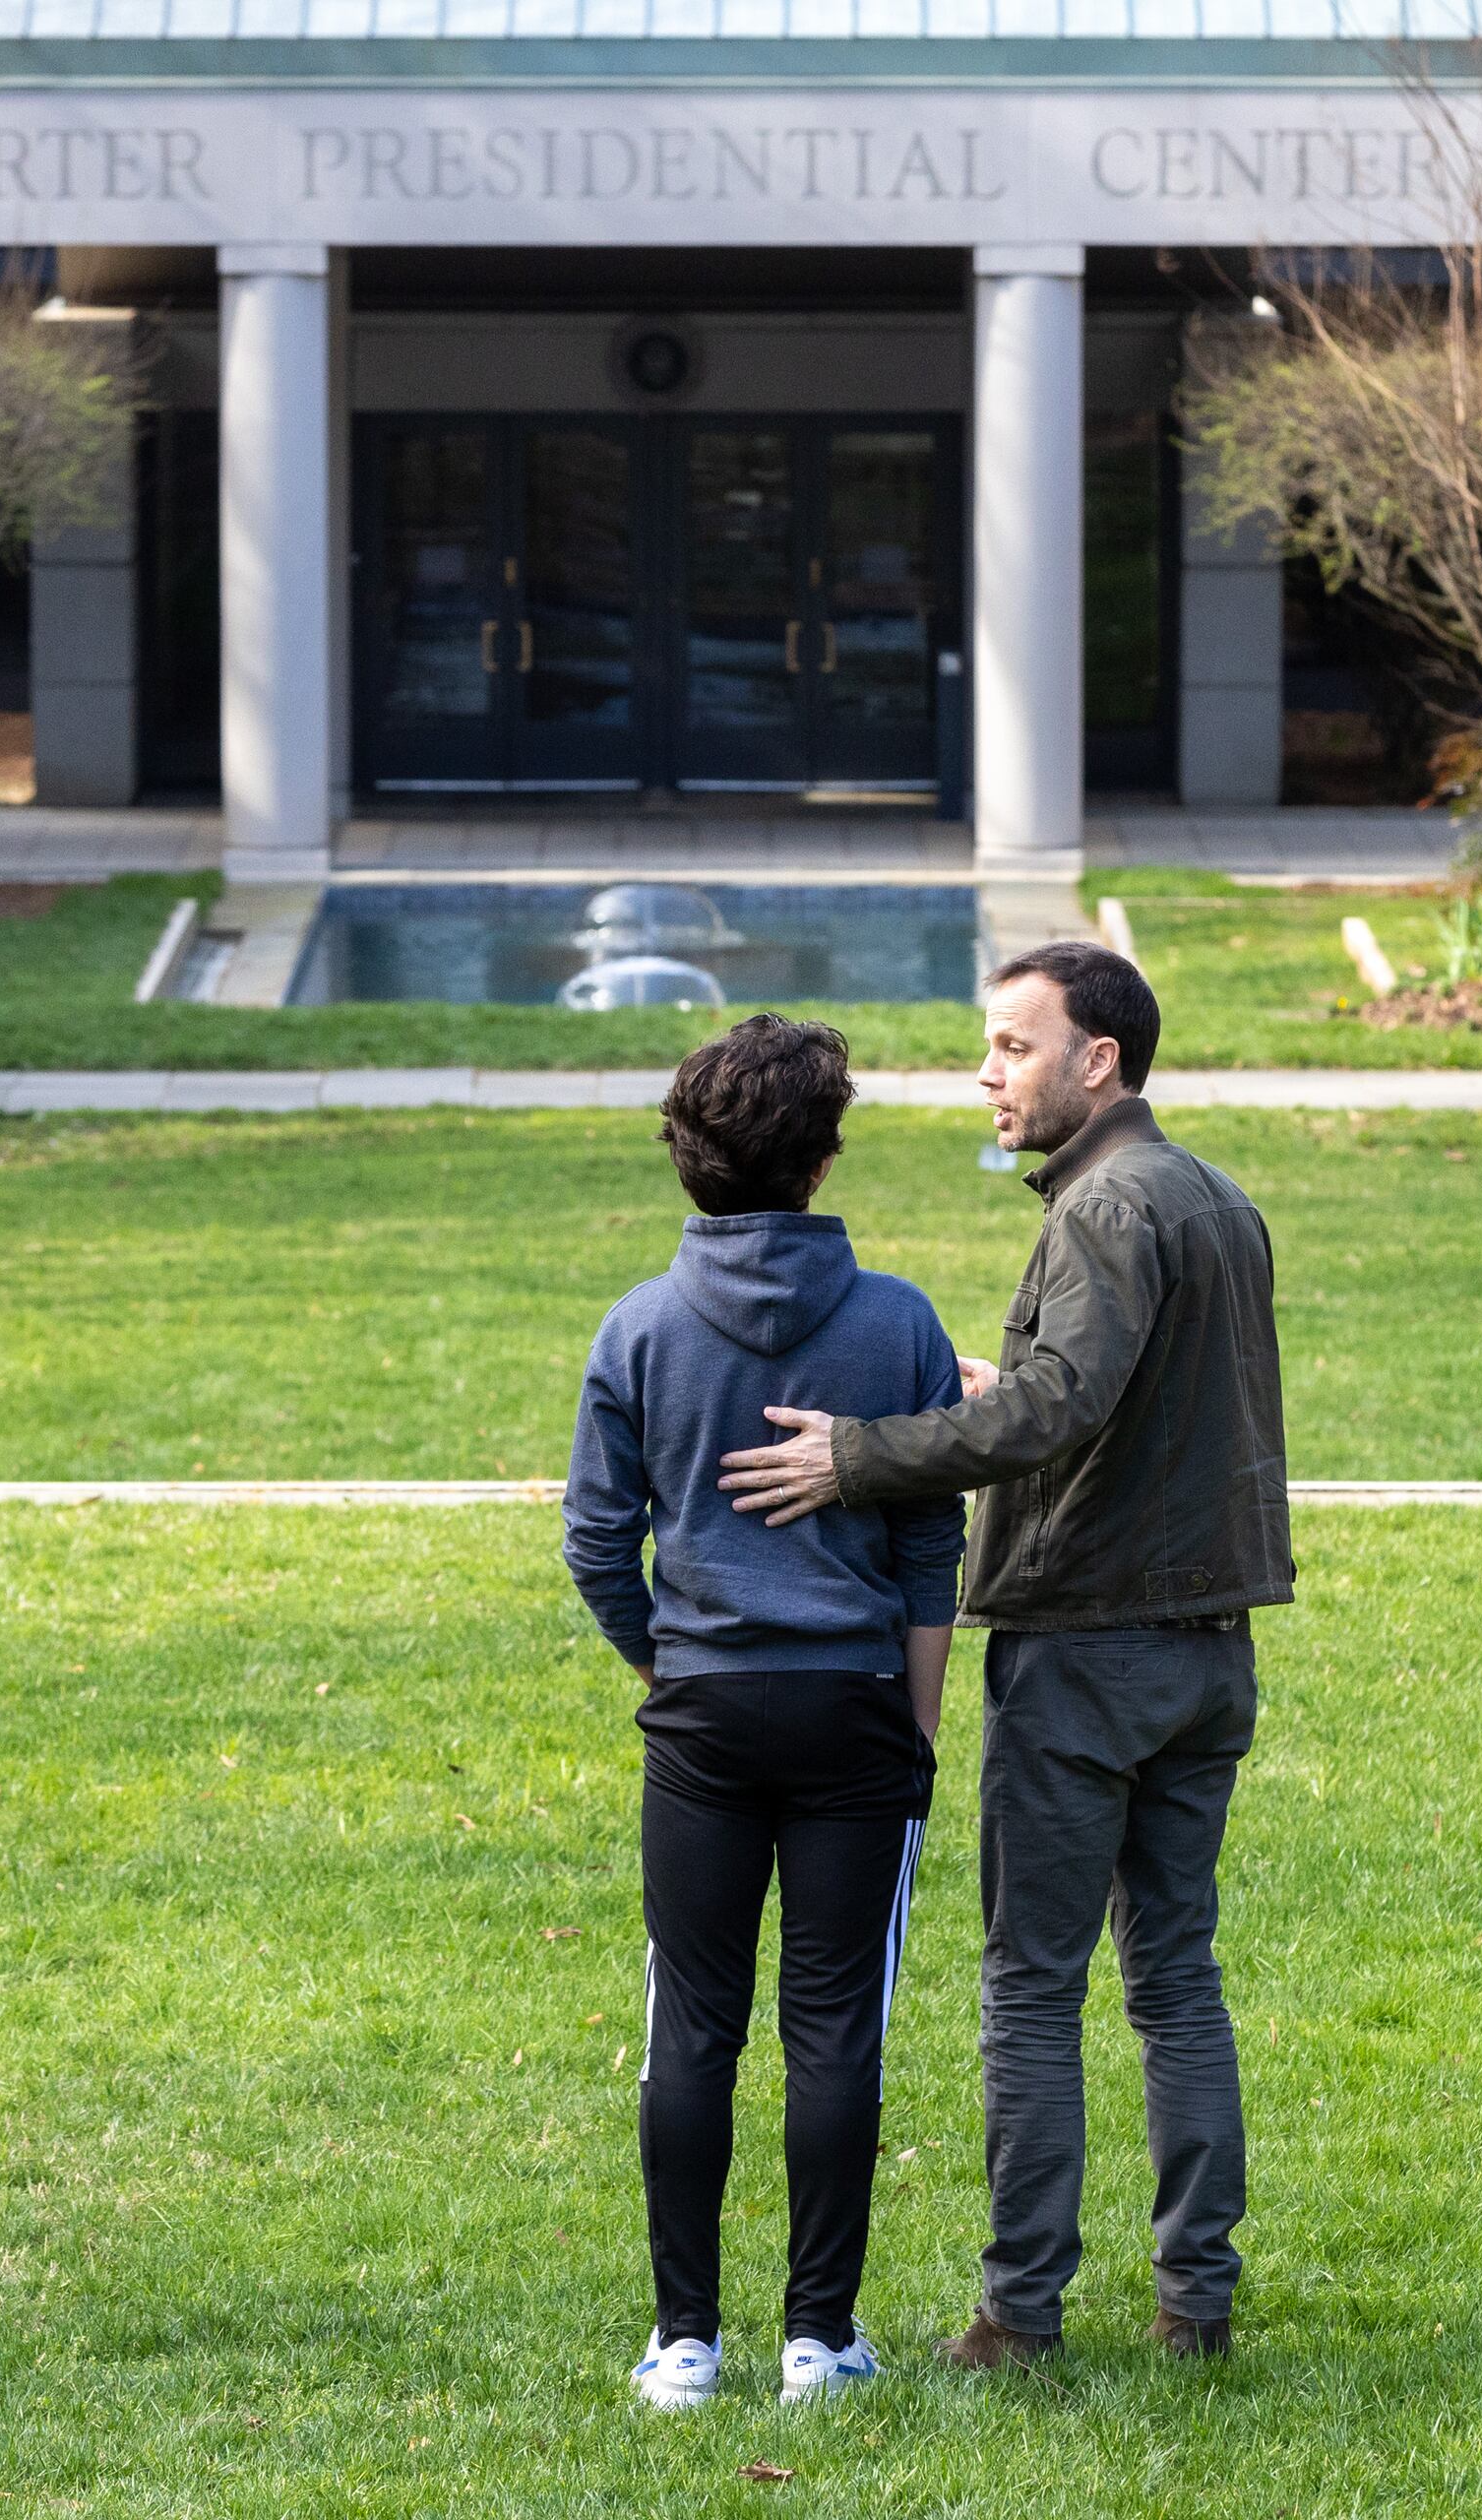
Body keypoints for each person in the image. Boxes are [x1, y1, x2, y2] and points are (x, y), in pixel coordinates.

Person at [716, 940, 1292, 2369]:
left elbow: (1056, 1418)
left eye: (1012, 1047)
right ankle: (1194, 2309)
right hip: (1210, 1655)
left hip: (1088, 1658)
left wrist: (864, 1456)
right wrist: (1004, 1381)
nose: (989, 1075)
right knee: (1176, 1978)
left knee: (1032, 1985)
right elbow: (1108, 1398)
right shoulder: (1216, 1199)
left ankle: (1018, 2320)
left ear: (1097, 1060)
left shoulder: (1103, 1208)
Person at [562, 1011, 965, 2413]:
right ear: (823, 1157)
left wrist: (669, 1662)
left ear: (687, 1156)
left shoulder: (640, 1326)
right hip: (857, 1710)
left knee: (692, 2027)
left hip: (704, 1720)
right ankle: (821, 2342)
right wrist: (916, 1727)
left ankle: (684, 2345)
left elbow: (596, 1547)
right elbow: (930, 1552)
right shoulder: (900, 1320)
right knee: (836, 2026)